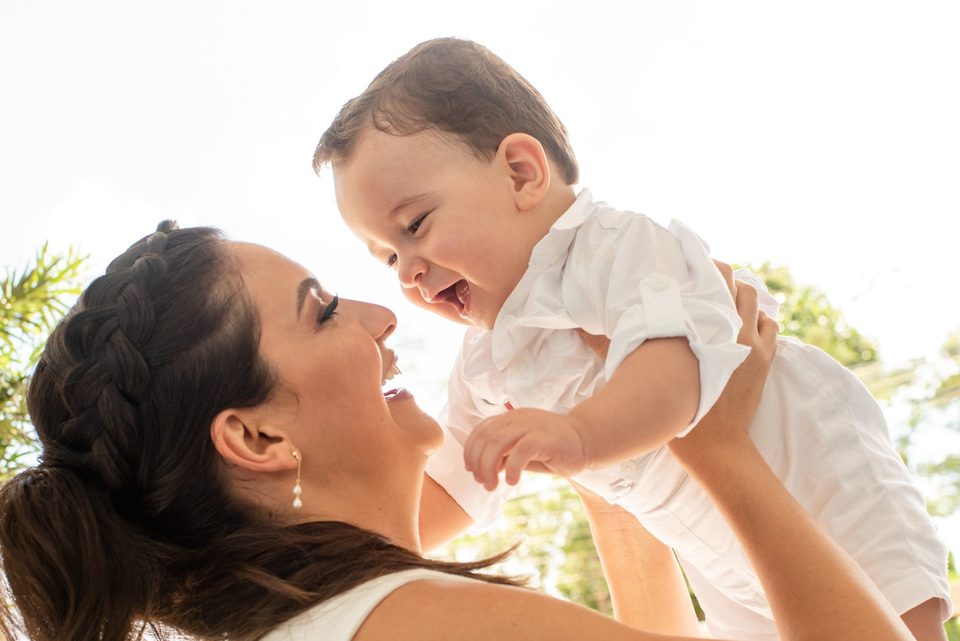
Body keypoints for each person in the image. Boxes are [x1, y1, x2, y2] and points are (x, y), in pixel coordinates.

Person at [315, 37, 952, 640]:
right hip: (712, 545)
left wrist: (579, 436)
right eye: (388, 259)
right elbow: (450, 489)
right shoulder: (485, 361)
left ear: (520, 172)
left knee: (896, 615)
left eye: (416, 226)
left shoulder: (615, 248)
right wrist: (337, 555)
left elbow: (676, 366)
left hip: (810, 465)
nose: (410, 272)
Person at [0, 222, 916, 641]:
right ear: (256, 437)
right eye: (320, 311)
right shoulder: (413, 623)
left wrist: (611, 451)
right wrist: (716, 447)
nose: (383, 313)